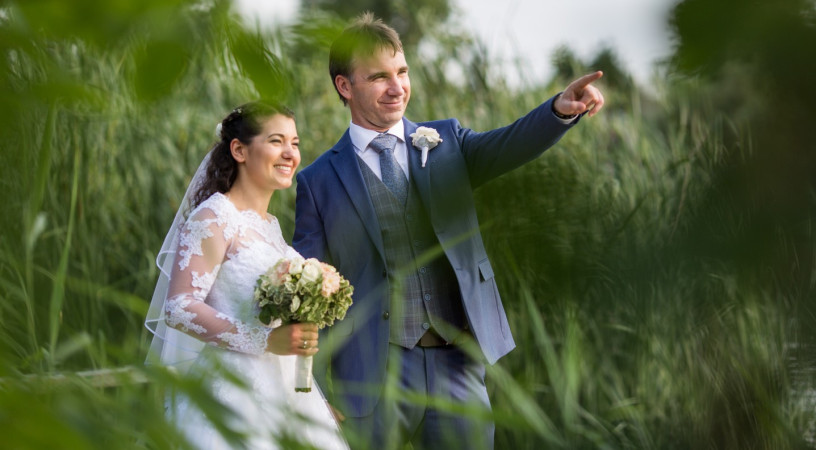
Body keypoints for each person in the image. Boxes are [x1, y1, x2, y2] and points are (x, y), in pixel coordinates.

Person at [293, 12, 604, 450]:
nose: (397, 87)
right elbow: (310, 291)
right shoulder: (318, 181)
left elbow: (508, 144)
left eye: (402, 72)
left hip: (457, 363)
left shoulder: (445, 141)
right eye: (379, 77)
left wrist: (557, 112)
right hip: (372, 374)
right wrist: (312, 391)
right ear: (345, 86)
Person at [144, 101, 348, 450]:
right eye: (276, 141)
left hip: (287, 394)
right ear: (239, 149)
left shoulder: (270, 228)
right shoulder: (214, 218)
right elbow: (179, 306)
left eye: (295, 143)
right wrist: (265, 341)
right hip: (232, 396)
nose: (290, 153)